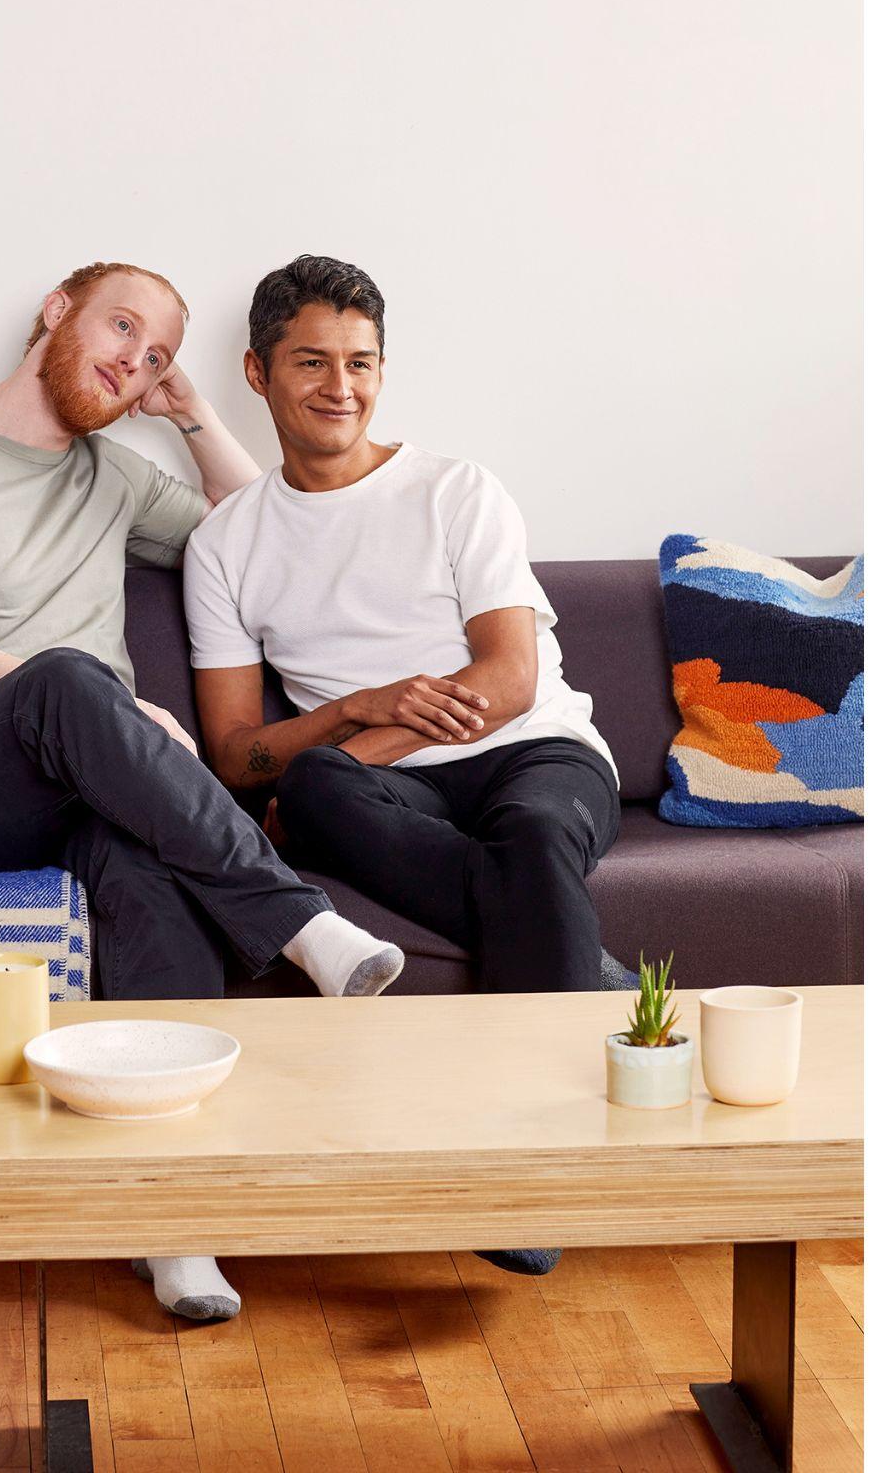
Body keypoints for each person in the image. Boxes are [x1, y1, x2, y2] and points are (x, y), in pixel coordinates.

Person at [0, 259, 404, 1323]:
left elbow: (271, 529)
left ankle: (177, 1229)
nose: (132, 361)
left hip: (92, 792)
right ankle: (301, 924)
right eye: (121, 327)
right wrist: (104, 707)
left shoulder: (112, 475)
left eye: (155, 355)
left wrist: (190, 410)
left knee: (147, 868)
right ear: (55, 311)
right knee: (74, 677)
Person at [184, 253, 624, 1278]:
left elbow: (510, 680)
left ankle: (531, 1185)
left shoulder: (456, 491)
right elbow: (238, 754)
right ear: (257, 373)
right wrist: (351, 714)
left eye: (362, 362)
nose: (342, 387)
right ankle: (573, 953)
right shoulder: (226, 545)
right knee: (314, 784)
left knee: (539, 834)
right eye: (312, 362)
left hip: (534, 752)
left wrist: (373, 743)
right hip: (383, 777)